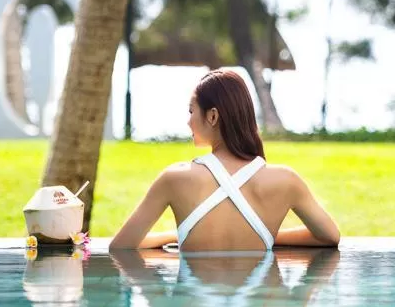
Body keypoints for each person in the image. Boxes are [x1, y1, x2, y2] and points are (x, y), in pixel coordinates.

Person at [109, 69, 341, 251]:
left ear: (212, 116)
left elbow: (121, 247)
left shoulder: (175, 178)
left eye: (191, 112)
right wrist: (265, 235)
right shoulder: (286, 180)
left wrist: (175, 236)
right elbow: (330, 236)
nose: (188, 122)